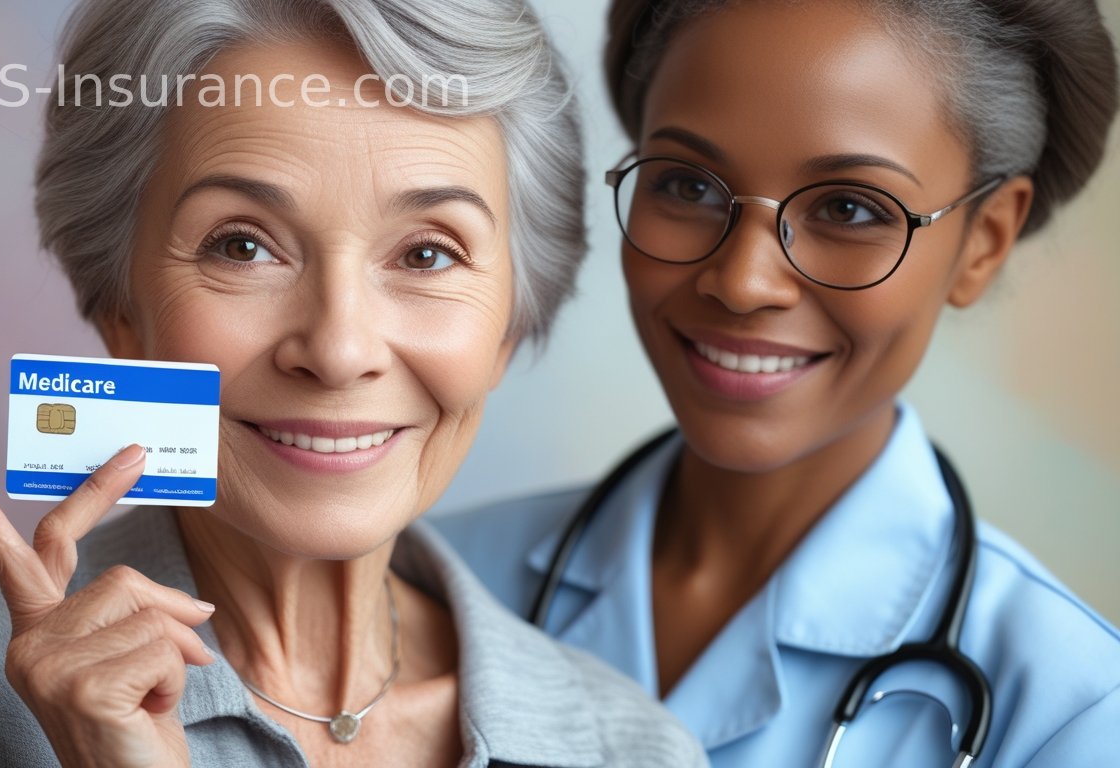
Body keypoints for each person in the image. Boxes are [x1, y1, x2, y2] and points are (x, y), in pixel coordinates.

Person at [0, 1, 710, 766]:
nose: (338, 347)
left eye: (429, 253)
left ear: (511, 321)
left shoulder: (632, 748)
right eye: (241, 244)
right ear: (122, 308)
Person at [435, 0, 1120, 765]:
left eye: (850, 208)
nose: (743, 281)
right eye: (688, 186)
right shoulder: (436, 583)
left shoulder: (1074, 709)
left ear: (983, 244)